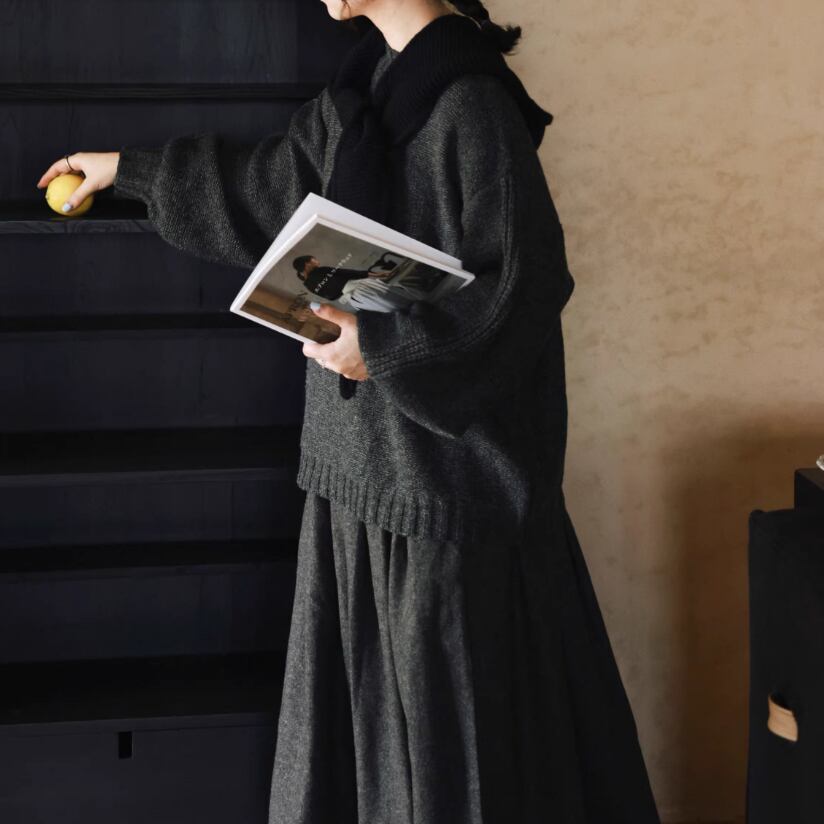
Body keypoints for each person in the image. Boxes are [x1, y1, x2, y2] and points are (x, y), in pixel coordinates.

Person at [35, 1, 662, 821]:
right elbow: (266, 189)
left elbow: (522, 291)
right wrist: (131, 171)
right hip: (359, 484)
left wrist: (385, 348)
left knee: (450, 767)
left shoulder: (472, 104)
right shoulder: (367, 87)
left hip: (437, 503)